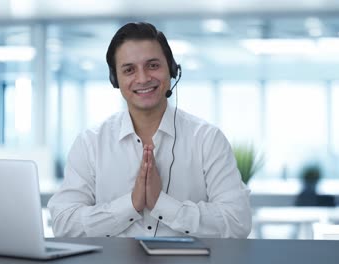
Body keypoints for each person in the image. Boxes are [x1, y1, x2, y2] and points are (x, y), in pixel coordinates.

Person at [48, 22, 252, 238]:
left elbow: (238, 222)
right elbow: (63, 224)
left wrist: (161, 204)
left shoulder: (207, 139)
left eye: (153, 65)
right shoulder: (90, 143)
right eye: (129, 70)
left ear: (172, 70)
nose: (143, 78)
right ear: (115, 79)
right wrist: (130, 205)